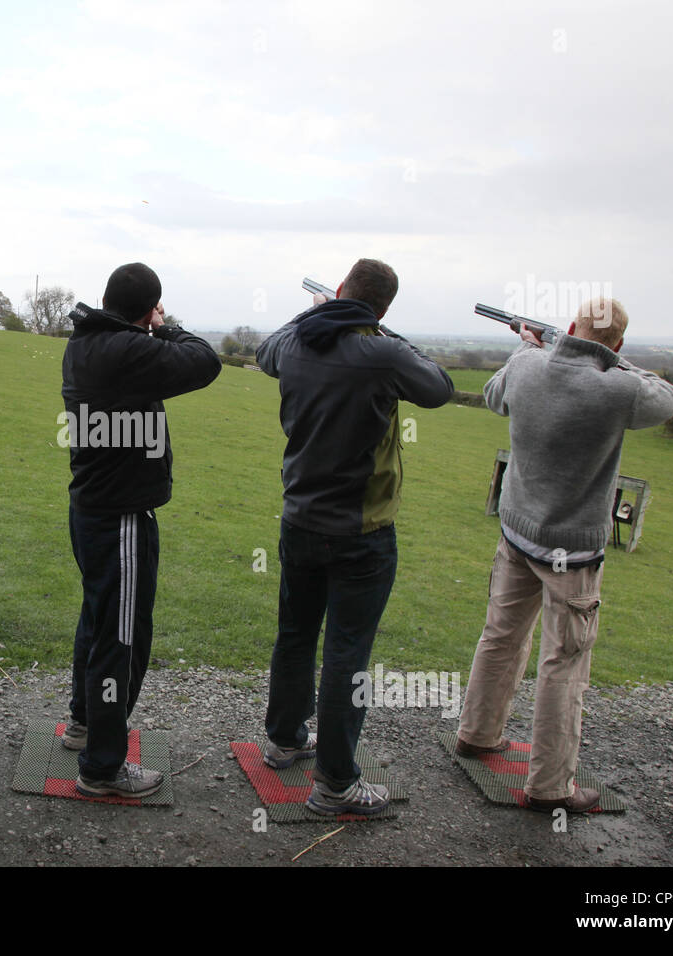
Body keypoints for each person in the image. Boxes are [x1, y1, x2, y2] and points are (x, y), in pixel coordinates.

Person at [456, 299, 673, 811]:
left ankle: (477, 733)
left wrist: (528, 351)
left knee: (500, 636)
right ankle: (551, 787)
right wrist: (612, 361)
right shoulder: (620, 386)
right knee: (564, 664)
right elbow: (667, 398)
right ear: (618, 345)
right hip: (572, 550)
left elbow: (495, 399)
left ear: (572, 327)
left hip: (516, 530)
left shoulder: (527, 364)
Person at [257, 258, 453, 815]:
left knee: (295, 635)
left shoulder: (296, 341)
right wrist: (376, 331)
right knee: (348, 653)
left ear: (340, 290)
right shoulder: (383, 352)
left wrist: (315, 312)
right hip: (362, 533)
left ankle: (284, 739)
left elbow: (266, 349)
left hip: (299, 520)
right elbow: (438, 387)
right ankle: (336, 785)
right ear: (384, 309)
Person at [60, 262, 220, 798]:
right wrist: (164, 325)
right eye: (155, 306)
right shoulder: (127, 350)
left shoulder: (88, 342)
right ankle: (103, 767)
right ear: (147, 309)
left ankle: (84, 724)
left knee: (99, 622)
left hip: (91, 508)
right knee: (122, 638)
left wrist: (146, 323)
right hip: (122, 516)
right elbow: (205, 360)